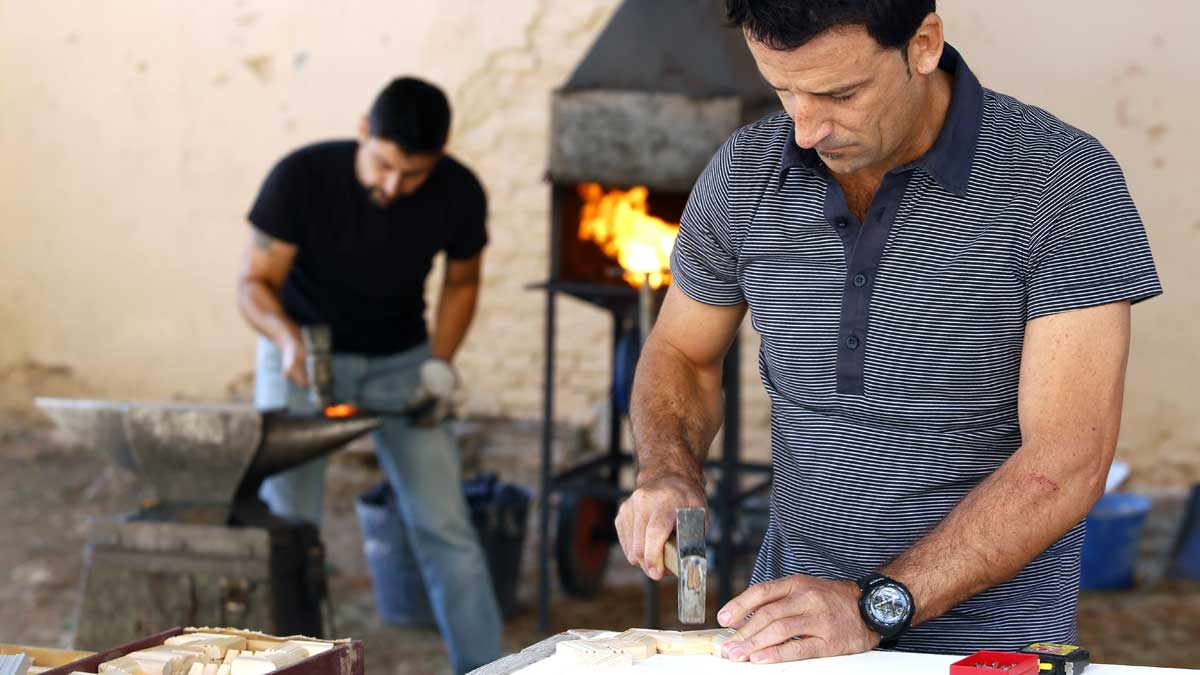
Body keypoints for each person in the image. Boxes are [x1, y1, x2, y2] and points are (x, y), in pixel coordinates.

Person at [615, 0, 1162, 664]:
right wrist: (669, 470)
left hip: (991, 650)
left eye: (840, 93)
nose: (807, 128)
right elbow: (682, 354)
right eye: (783, 90)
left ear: (924, 45)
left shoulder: (1065, 184)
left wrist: (874, 603)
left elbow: (1067, 459)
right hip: (791, 636)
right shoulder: (744, 175)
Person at [235, 76, 500, 674]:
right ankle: (287, 667)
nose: (392, 186)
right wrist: (285, 340)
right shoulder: (299, 179)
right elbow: (254, 285)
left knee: (445, 525)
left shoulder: (459, 193)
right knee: (287, 529)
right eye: (383, 165)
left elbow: (462, 283)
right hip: (302, 360)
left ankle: (486, 667)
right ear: (362, 131)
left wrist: (440, 364)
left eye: (413, 175)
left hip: (402, 365)